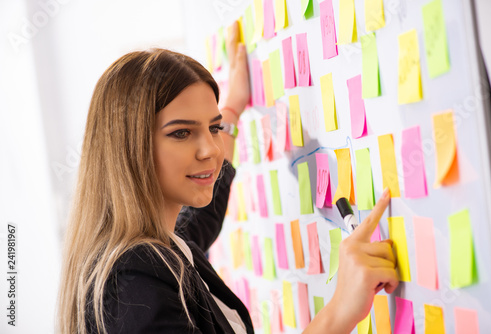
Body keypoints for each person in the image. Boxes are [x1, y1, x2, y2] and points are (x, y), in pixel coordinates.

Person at [57, 22, 398, 334]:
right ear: (128, 148)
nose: (211, 150)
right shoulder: (131, 284)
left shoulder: (163, 243)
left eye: (214, 128)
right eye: (181, 133)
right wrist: (340, 311)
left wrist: (233, 107)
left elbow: (205, 213)